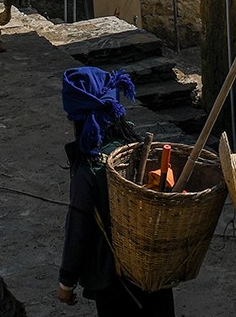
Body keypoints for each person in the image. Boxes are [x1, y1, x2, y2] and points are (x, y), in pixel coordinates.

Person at [57, 67, 176, 316]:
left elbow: (78, 228)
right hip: (154, 273)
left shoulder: (89, 170)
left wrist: (66, 282)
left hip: (115, 282)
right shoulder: (139, 149)